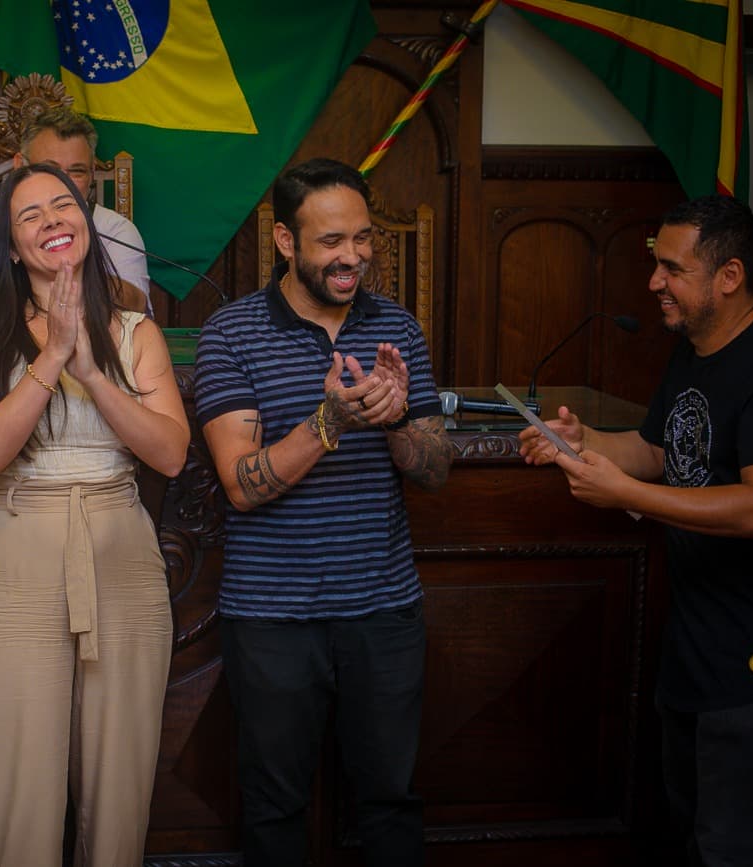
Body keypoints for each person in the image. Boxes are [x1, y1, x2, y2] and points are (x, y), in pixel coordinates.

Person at [193, 158, 454, 866]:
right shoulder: (231, 333)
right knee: (275, 809)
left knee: (391, 802)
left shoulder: (397, 327)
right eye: (332, 241)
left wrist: (395, 421)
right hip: (272, 616)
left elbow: (434, 471)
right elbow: (241, 484)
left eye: (362, 238)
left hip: (384, 610)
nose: (352, 257)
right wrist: (330, 420)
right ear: (285, 240)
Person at [519, 194, 753, 866]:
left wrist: (627, 495)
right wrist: (583, 442)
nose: (655, 281)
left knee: (736, 848)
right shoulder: (692, 350)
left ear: (730, 275)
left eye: (673, 269)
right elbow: (660, 451)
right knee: (687, 835)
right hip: (691, 650)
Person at [0, 162, 189, 865]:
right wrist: (53, 356)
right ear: (11, 247)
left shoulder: (136, 332)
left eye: (64, 206)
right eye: (31, 215)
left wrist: (91, 371)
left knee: (119, 776)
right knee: (13, 777)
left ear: (86, 223)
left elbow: (171, 453)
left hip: (121, 554)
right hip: (18, 550)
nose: (52, 221)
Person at [0, 106, 151, 329]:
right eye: (49, 169)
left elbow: (135, 306)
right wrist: (36, 276)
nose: (63, 182)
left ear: (91, 175)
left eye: (77, 171)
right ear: (20, 165)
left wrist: (55, 277)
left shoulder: (116, 229)